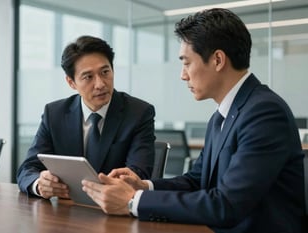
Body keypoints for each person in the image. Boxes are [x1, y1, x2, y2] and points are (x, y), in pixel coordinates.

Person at [82, 8, 305, 233]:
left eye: (187, 63)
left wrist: (133, 201)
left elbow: (226, 205)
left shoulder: (264, 113)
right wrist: (144, 187)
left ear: (218, 60)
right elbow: (197, 181)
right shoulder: (221, 117)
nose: (183, 74)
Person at [17, 35, 156, 200]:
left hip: (117, 212)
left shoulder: (138, 112)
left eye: (105, 72)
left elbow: (138, 173)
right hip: (66, 211)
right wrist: (40, 184)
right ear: (71, 82)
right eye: (88, 77)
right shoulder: (54, 113)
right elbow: (28, 169)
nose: (100, 84)